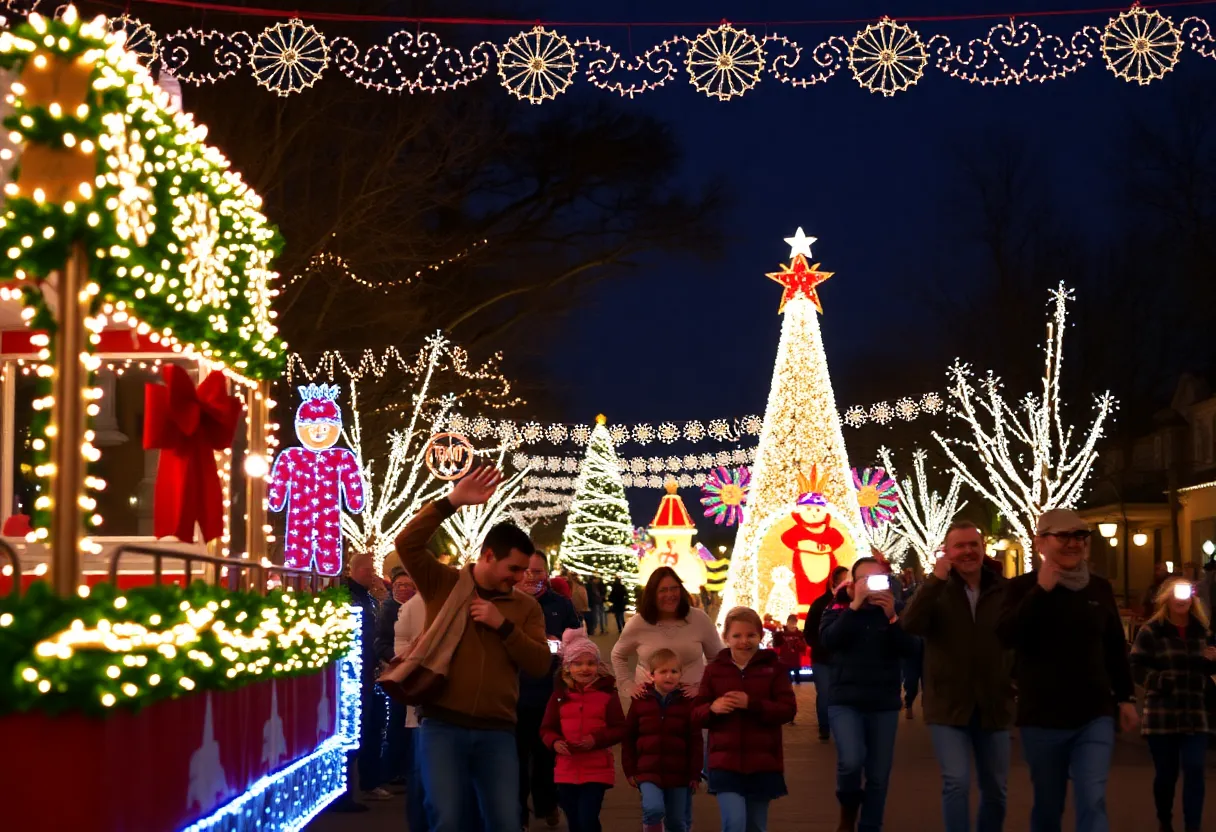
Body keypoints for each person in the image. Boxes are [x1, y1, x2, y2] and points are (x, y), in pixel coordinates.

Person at [392, 466, 552, 832]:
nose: (520, 578)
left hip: (497, 730)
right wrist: (451, 503)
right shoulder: (443, 583)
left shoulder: (525, 608)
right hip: (442, 724)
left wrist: (504, 626)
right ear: (488, 555)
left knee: (504, 822)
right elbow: (407, 545)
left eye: (525, 570)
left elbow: (541, 664)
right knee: (446, 817)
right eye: (513, 568)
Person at [997, 509, 1138, 832]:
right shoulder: (1021, 588)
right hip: (1042, 717)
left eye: (1080, 537)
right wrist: (1040, 591)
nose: (1074, 544)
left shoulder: (1099, 589)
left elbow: (1114, 646)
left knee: (1092, 797)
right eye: (1064, 537)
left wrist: (1126, 698)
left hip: (1094, 714)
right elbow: (1006, 634)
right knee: (1049, 805)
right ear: (1040, 543)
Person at [902, 521, 1014, 832]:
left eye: (973, 545)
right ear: (947, 553)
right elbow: (909, 625)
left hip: (994, 704)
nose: (967, 551)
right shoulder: (937, 591)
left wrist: (1012, 681)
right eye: (960, 546)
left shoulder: (1003, 590)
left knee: (996, 790)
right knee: (956, 782)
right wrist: (934, 581)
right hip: (948, 704)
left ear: (983, 548)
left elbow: (1019, 639)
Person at [820, 556, 917, 832]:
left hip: (883, 702)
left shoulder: (896, 610)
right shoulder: (838, 608)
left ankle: (870, 826)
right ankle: (848, 808)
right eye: (865, 580)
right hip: (845, 700)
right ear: (853, 583)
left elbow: (911, 649)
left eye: (879, 579)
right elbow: (829, 641)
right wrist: (853, 607)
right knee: (850, 761)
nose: (873, 586)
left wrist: (892, 618)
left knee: (878, 774)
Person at [694, 606, 796, 832]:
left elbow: (787, 710)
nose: (744, 642)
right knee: (734, 823)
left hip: (762, 762)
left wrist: (753, 704)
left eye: (751, 635)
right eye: (737, 636)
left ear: (760, 636)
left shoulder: (774, 668)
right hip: (724, 762)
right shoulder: (714, 670)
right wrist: (713, 708)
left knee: (756, 826)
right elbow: (697, 712)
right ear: (726, 637)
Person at [1130, 577, 1216, 832]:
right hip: (1162, 712)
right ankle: (1164, 819)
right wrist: (1159, 680)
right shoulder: (1152, 630)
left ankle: (1193, 825)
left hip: (1194, 711)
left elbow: (1208, 669)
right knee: (1166, 774)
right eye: (1177, 594)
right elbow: (1135, 665)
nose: (1182, 600)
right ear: (1167, 598)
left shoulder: (1203, 631)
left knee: (1194, 767)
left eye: (1187, 594)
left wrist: (1212, 660)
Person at [517, 553, 582, 830]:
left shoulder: (561, 604)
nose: (532, 577)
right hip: (513, 694)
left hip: (549, 692)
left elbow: (578, 646)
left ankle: (547, 806)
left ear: (546, 573)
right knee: (516, 759)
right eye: (527, 571)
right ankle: (517, 814)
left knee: (547, 756)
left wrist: (554, 646)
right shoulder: (505, 603)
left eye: (538, 571)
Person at [540, 628, 626, 832]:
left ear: (598, 665)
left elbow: (620, 728)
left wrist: (596, 739)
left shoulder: (607, 695)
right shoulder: (559, 697)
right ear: (567, 668)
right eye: (577, 664)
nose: (584, 669)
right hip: (566, 769)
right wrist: (554, 742)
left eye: (590, 663)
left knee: (588, 817)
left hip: (597, 769)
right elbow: (546, 728)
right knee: (574, 820)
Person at [611, 567, 724, 700]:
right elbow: (618, 655)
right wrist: (626, 685)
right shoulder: (638, 623)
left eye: (674, 588)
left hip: (691, 701)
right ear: (652, 594)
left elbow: (718, 658)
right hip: (650, 702)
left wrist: (704, 687)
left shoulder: (699, 619)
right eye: (663, 590)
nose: (670, 595)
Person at [623, 647, 702, 832]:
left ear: (681, 674)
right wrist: (630, 770)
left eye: (674, 671)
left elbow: (696, 741)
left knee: (676, 821)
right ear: (651, 675)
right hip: (648, 770)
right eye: (663, 671)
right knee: (653, 809)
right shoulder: (640, 701)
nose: (669, 676)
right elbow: (628, 737)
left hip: (679, 774)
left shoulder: (687, 703)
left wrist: (695, 773)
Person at [347, 552, 390, 802]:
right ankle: (352, 789)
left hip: (369, 671)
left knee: (373, 726)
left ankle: (369, 782)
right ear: (360, 570)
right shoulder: (349, 597)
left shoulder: (369, 598)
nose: (373, 574)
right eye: (370, 569)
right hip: (356, 673)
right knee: (360, 729)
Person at [376, 570, 417, 786]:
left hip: (414, 672)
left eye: (407, 585)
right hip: (398, 672)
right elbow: (380, 642)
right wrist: (396, 658)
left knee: (406, 723)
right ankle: (392, 770)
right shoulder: (388, 609)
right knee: (397, 723)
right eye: (399, 585)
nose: (403, 588)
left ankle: (402, 769)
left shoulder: (419, 608)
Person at [394, 592, 430, 832]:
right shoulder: (411, 607)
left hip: (453, 706)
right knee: (421, 773)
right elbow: (401, 652)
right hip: (423, 703)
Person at [805, 566, 850, 742]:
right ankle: (824, 728)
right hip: (823, 660)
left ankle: (842, 727)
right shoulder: (820, 603)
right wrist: (821, 645)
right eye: (844, 579)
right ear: (835, 581)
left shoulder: (854, 603)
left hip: (844, 660)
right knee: (824, 694)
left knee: (843, 695)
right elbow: (809, 632)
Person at [772, 613, 807, 685]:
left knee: (798, 681)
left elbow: (803, 647)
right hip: (784, 660)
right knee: (787, 681)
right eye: (791, 622)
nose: (792, 625)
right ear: (787, 622)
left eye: (794, 623)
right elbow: (775, 644)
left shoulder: (799, 634)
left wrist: (800, 643)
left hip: (795, 660)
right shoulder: (781, 634)